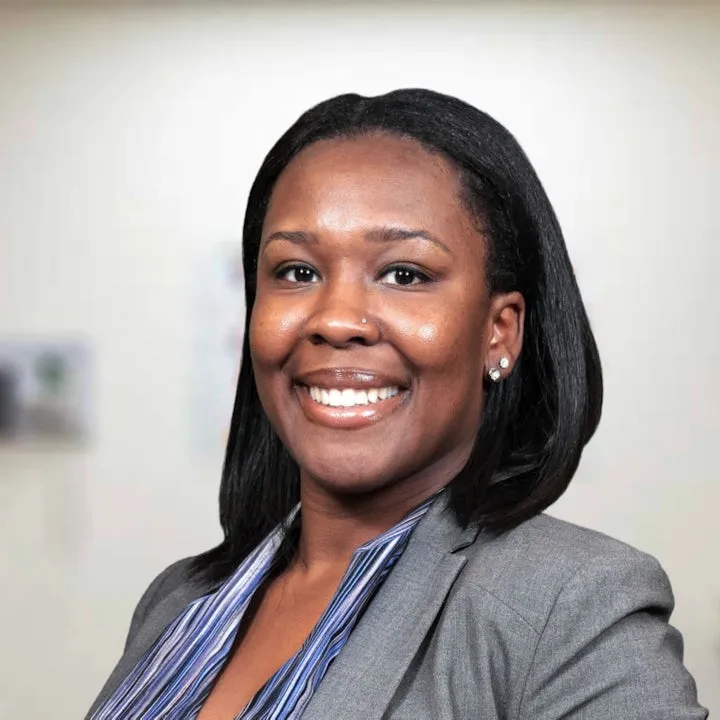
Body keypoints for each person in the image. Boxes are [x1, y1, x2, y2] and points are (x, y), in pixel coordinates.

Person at [87, 89, 707, 719]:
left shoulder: (571, 609)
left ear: (499, 331)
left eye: (404, 274)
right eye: (297, 272)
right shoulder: (178, 599)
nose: (335, 320)